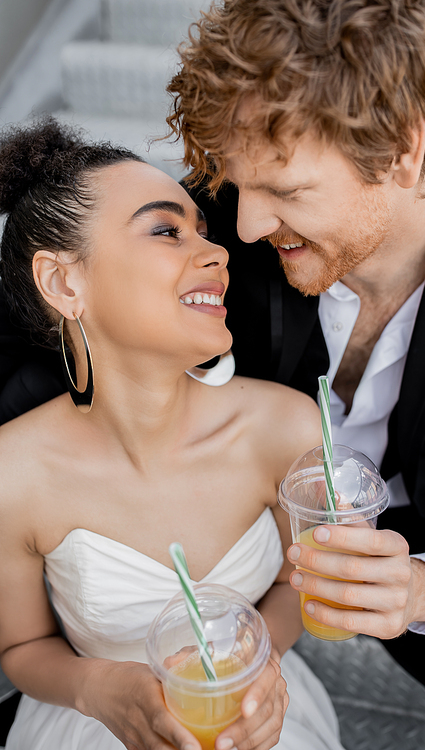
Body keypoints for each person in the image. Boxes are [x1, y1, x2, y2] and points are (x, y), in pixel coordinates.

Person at [161, 0, 425, 748]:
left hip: (417, 533)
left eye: (286, 191)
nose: (247, 224)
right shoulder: (220, 223)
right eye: (237, 182)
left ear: (404, 152)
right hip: (228, 539)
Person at [0, 118, 344, 750]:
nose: (216, 253)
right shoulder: (11, 473)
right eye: (165, 231)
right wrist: (98, 689)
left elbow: (306, 588)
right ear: (62, 282)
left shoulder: (288, 427)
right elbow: (21, 647)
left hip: (256, 715)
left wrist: (263, 663)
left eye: (202, 232)